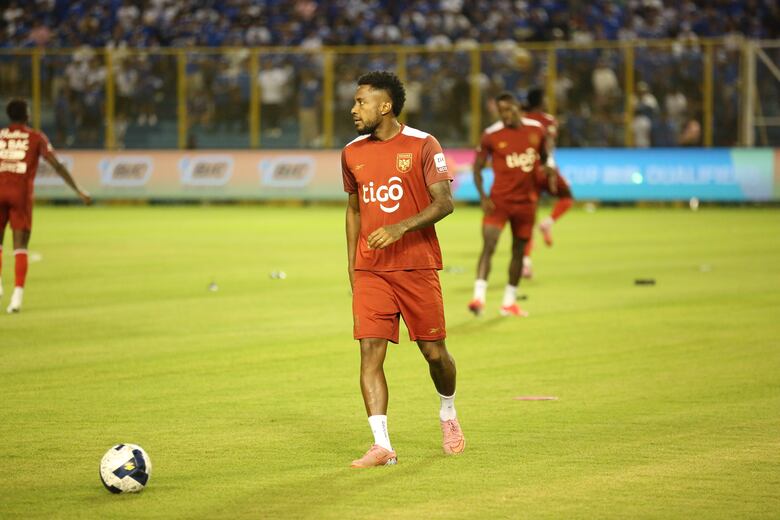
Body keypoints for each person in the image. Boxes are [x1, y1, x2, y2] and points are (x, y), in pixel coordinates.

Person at [342, 71, 465, 468]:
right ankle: (382, 444)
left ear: (386, 106)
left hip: (416, 267)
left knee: (434, 353)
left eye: (361, 101)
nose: (353, 109)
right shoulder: (352, 152)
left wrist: (400, 226)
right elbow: (354, 209)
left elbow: (444, 202)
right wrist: (353, 265)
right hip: (371, 270)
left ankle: (447, 411)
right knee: (369, 354)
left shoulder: (423, 144)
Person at [0, 99, 91, 313]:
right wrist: (78, 190)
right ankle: (17, 298)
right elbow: (56, 165)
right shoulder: (35, 137)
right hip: (20, 194)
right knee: (20, 246)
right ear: (26, 115)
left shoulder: (1, 135)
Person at [468, 92, 550, 317]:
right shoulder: (491, 135)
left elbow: (544, 156)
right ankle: (478, 297)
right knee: (489, 245)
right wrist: (483, 197)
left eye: (507, 109)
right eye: (500, 111)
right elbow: (476, 168)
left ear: (517, 107)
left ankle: (509, 302)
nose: (504, 115)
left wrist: (547, 168)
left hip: (526, 203)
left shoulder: (536, 129)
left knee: (519, 251)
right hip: (499, 202)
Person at [521, 87, 575, 278]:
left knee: (528, 219)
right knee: (567, 197)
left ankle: (526, 263)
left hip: (526, 170)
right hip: (546, 168)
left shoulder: (521, 120)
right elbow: (549, 147)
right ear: (541, 101)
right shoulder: (549, 121)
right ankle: (549, 221)